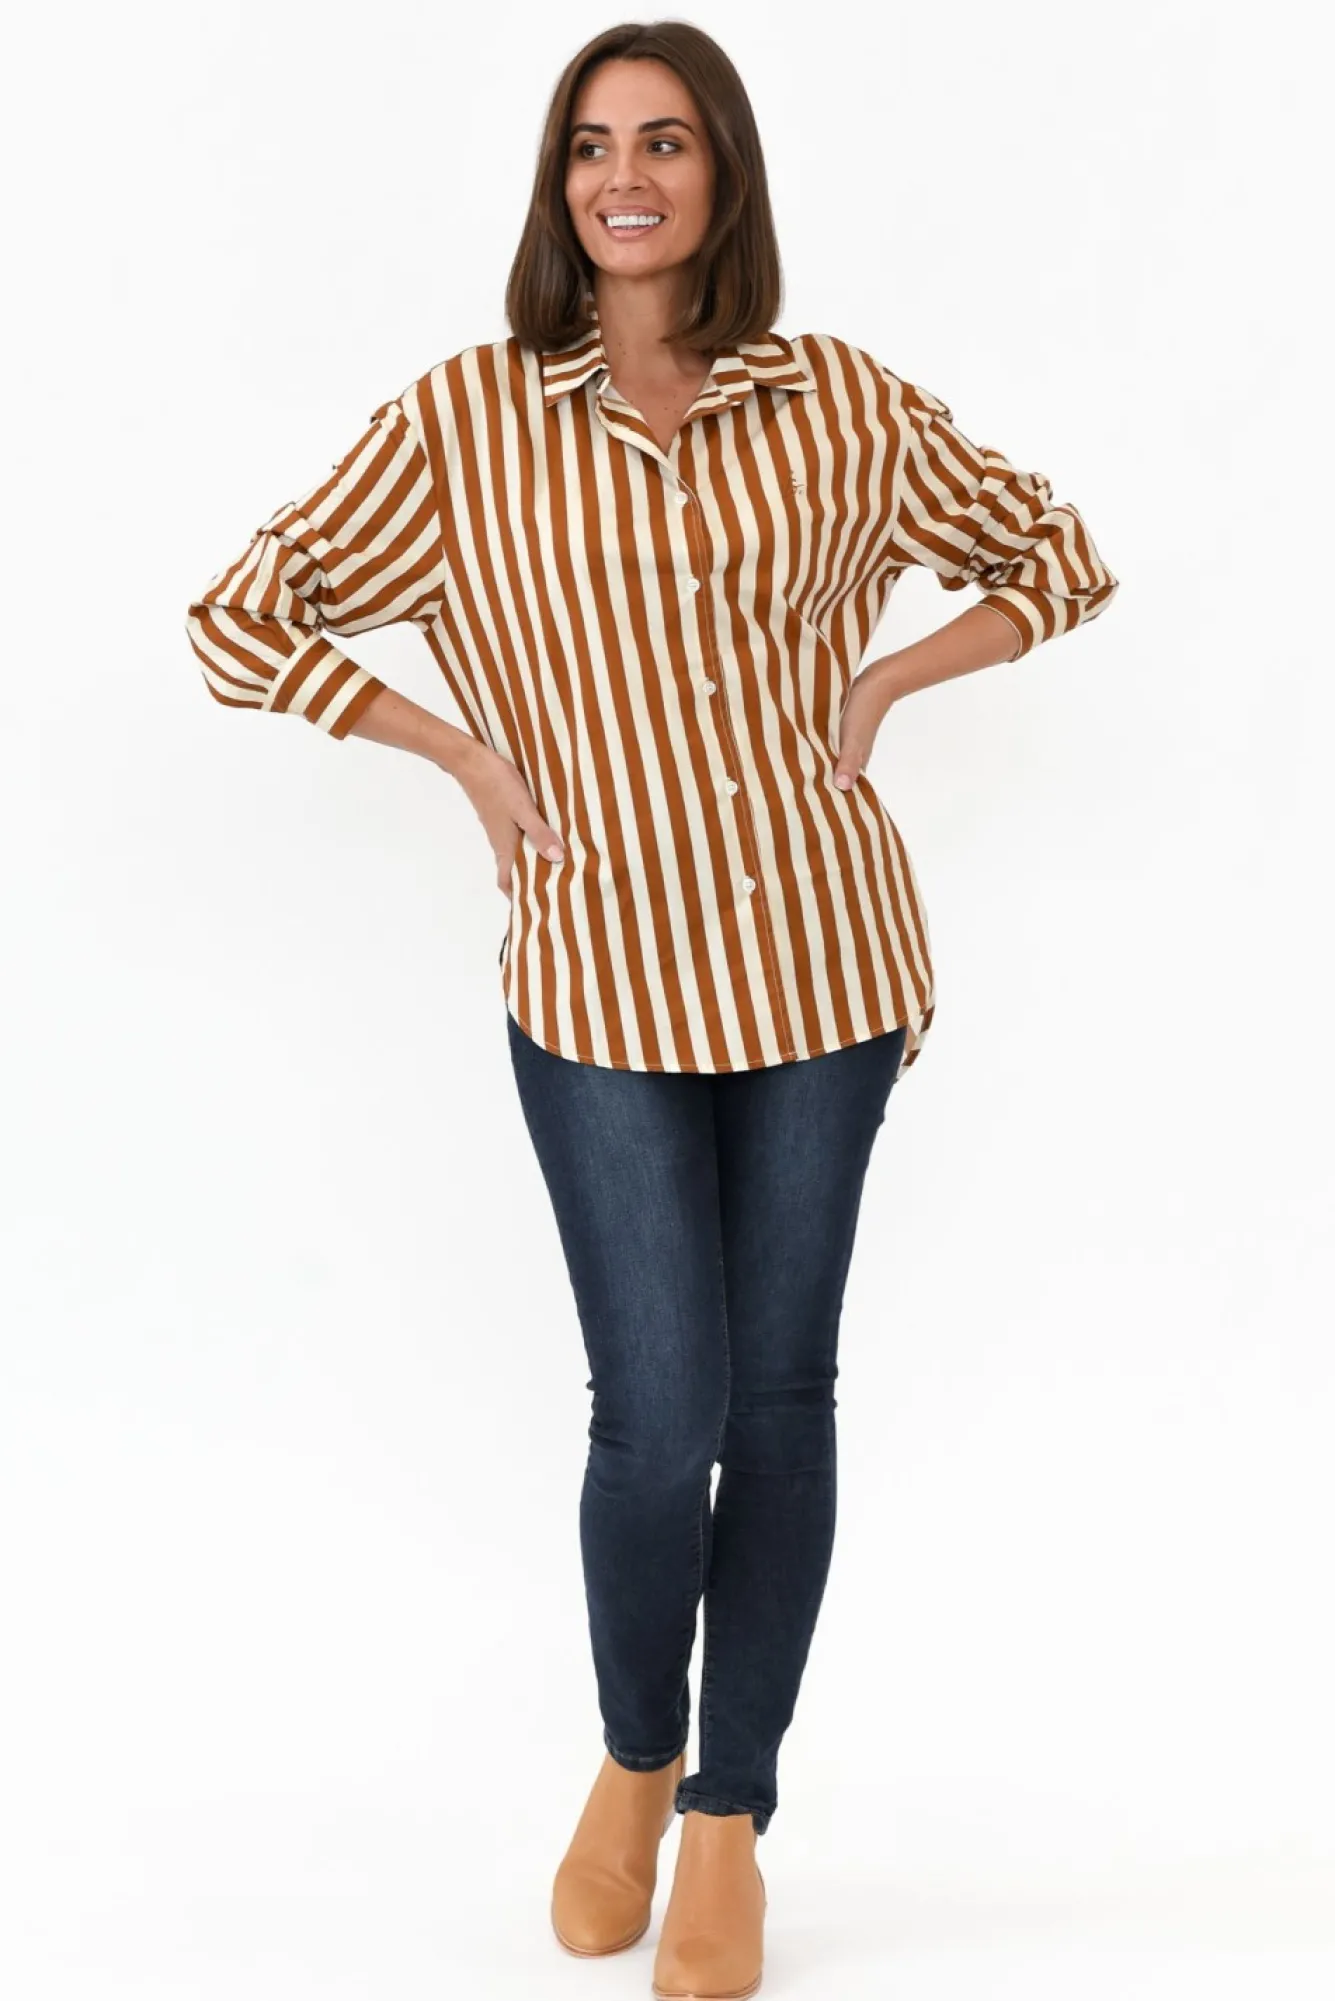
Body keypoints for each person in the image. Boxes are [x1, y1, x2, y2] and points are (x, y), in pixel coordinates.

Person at [185, 20, 1118, 1997]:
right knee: (658, 1408)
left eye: (667, 141)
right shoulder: (464, 420)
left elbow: (1056, 556)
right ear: (558, 184)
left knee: (779, 1400)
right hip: (599, 972)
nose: (627, 176)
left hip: (821, 962)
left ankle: (725, 1818)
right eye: (593, 145)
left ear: (722, 175)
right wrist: (457, 751)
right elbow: (239, 616)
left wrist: (886, 682)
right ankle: (633, 1753)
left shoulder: (840, 399)